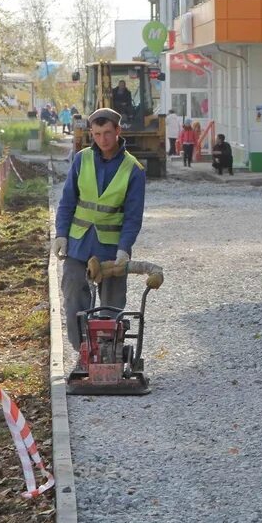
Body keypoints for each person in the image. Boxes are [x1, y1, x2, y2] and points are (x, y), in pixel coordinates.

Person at [52, 107, 146, 355]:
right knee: (73, 297)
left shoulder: (133, 169)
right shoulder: (81, 159)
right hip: (78, 244)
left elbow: (132, 217)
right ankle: (84, 352)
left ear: (118, 131)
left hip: (111, 250)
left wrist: (124, 249)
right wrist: (61, 234)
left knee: (112, 304)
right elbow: (68, 201)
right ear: (91, 134)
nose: (103, 139)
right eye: (97, 134)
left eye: (107, 133)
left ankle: (108, 353)